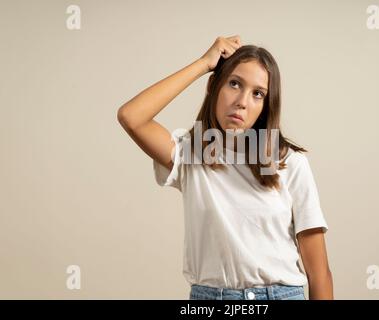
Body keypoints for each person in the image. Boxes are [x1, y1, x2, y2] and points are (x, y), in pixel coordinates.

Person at [117, 35, 333, 300]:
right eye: (234, 83)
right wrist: (203, 63)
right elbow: (131, 116)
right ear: (214, 86)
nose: (242, 101)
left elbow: (319, 273)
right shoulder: (192, 155)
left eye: (258, 94)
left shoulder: (288, 163)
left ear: (266, 106)